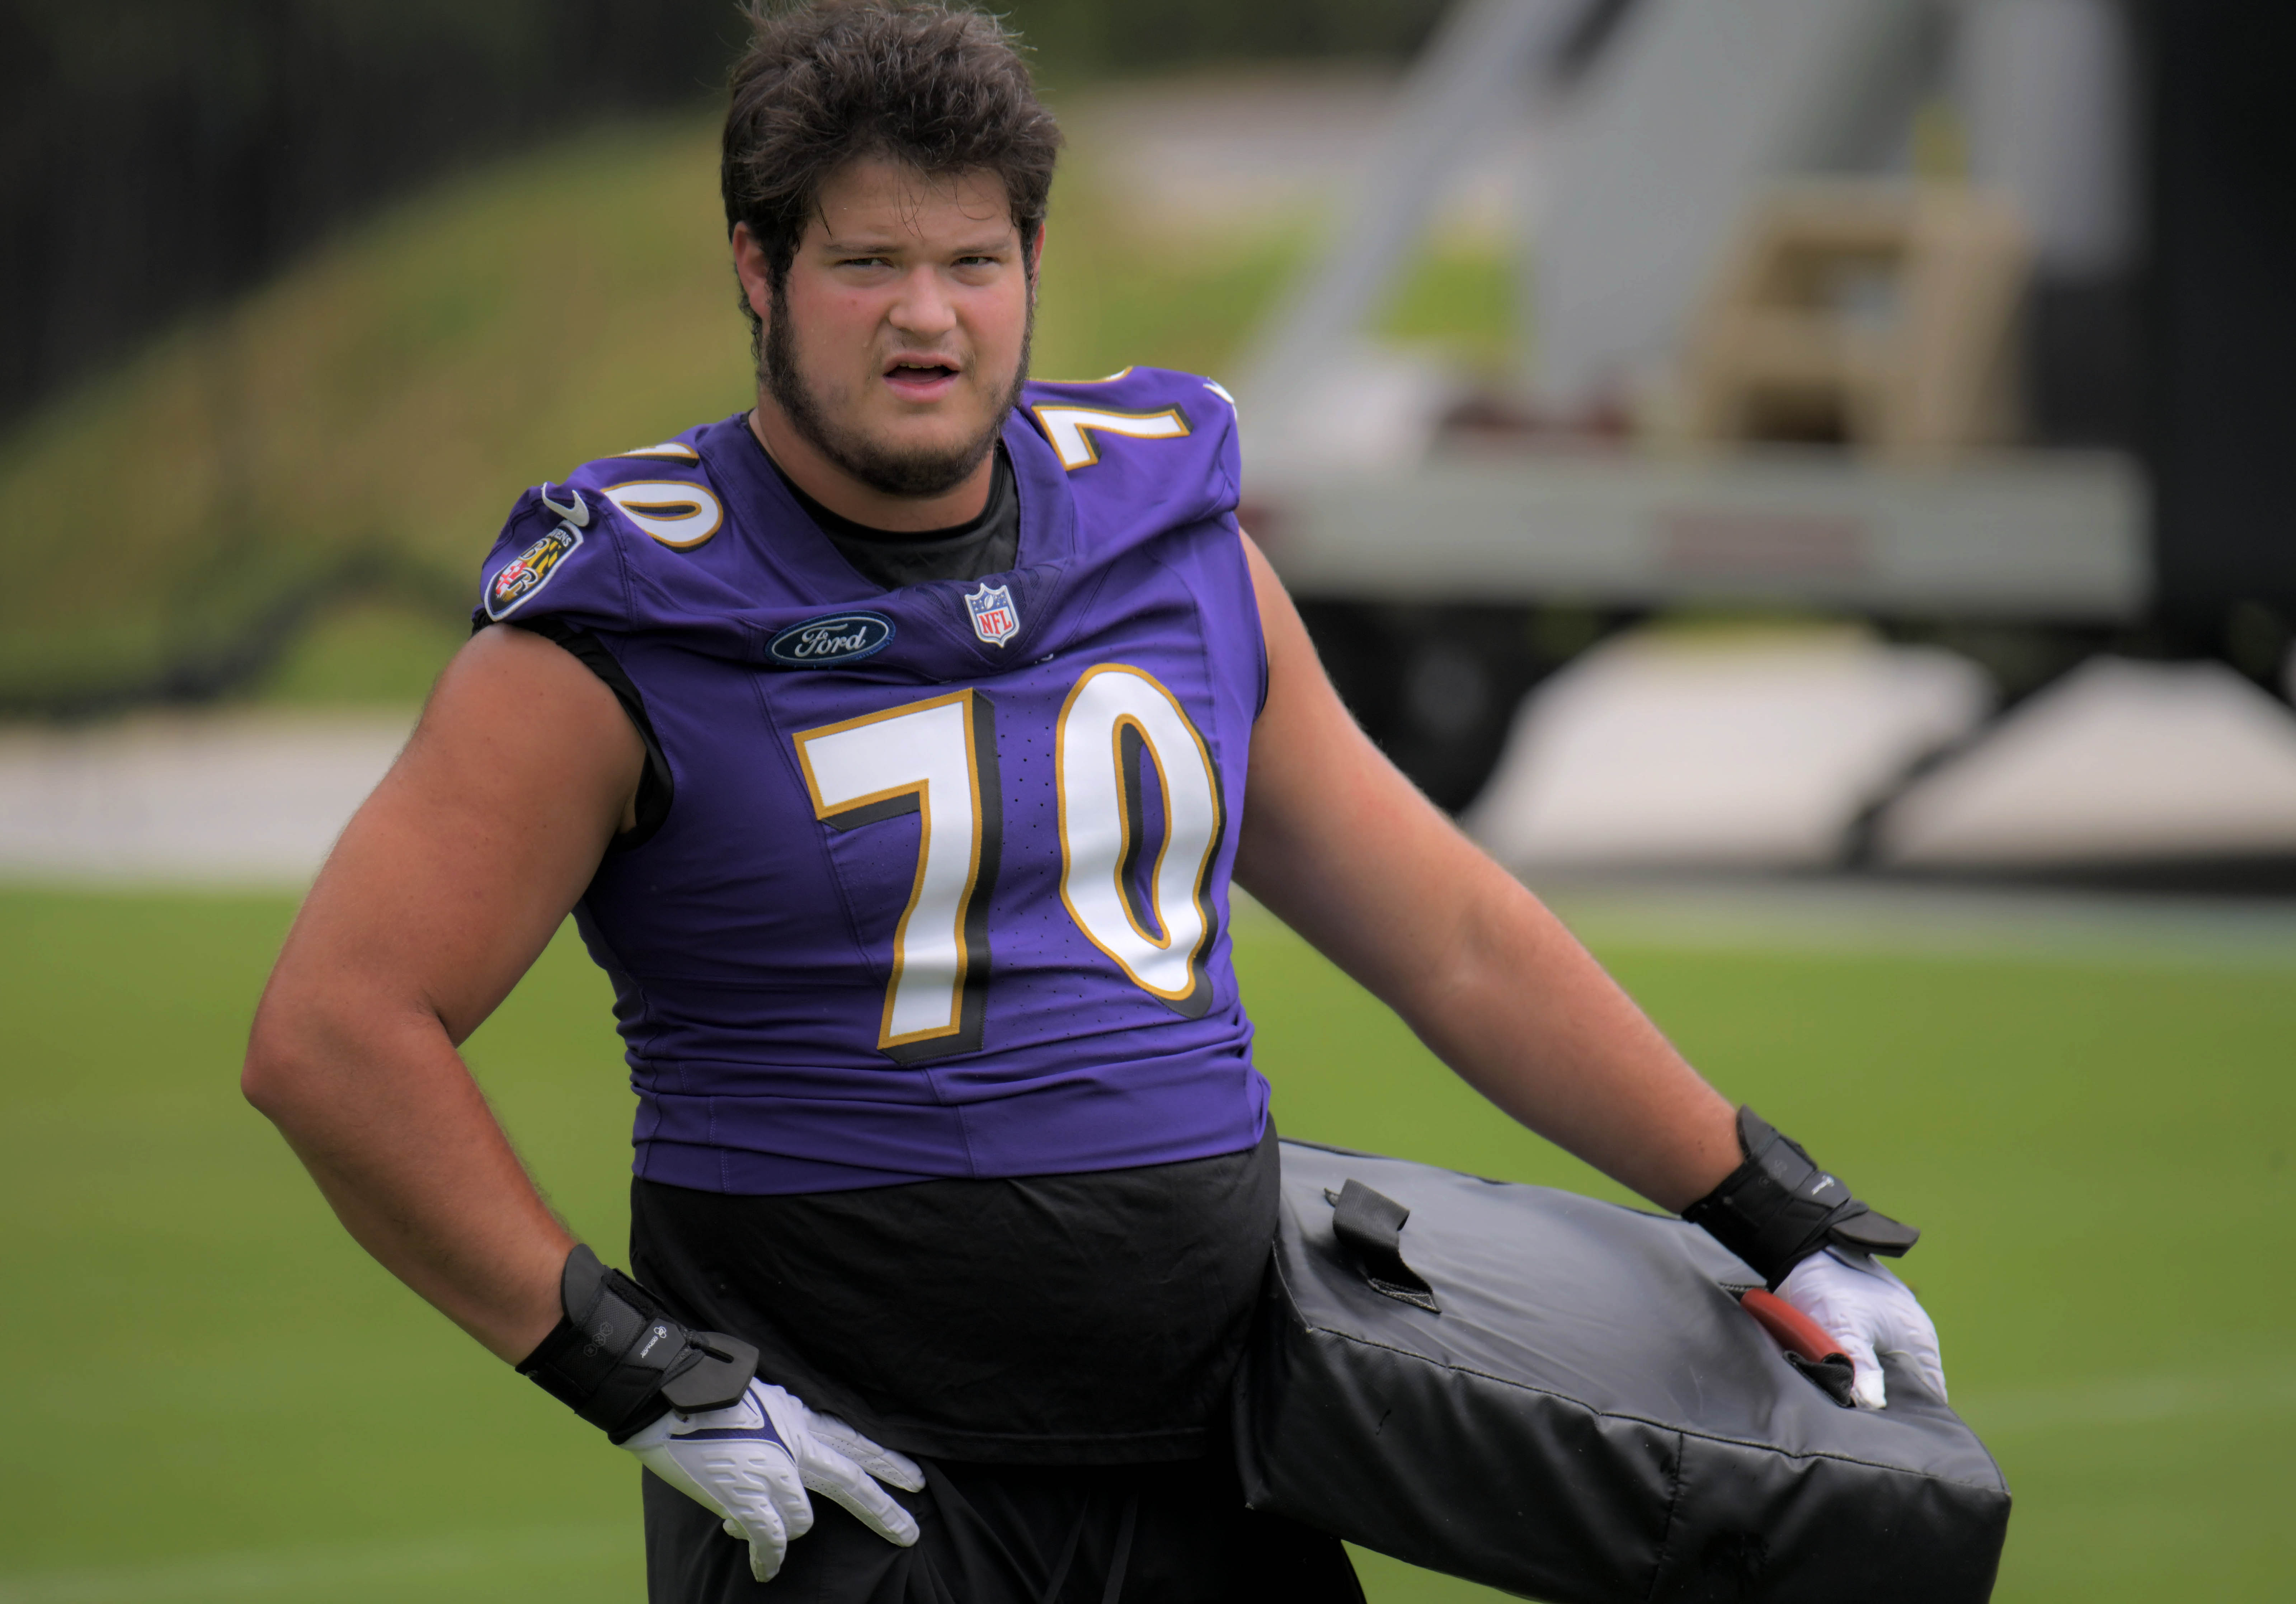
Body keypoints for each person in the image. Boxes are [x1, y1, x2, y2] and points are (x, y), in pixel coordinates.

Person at [242, 3, 1946, 1600]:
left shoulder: (1162, 527)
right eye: (868, 265)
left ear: (1035, 262)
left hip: (1232, 1448)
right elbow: (335, 1030)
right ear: (755, 271)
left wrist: (1770, 1210)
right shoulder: (628, 611)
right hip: (859, 1484)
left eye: (974, 260)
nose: (930, 316)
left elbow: (1448, 934)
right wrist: (630, 1374)